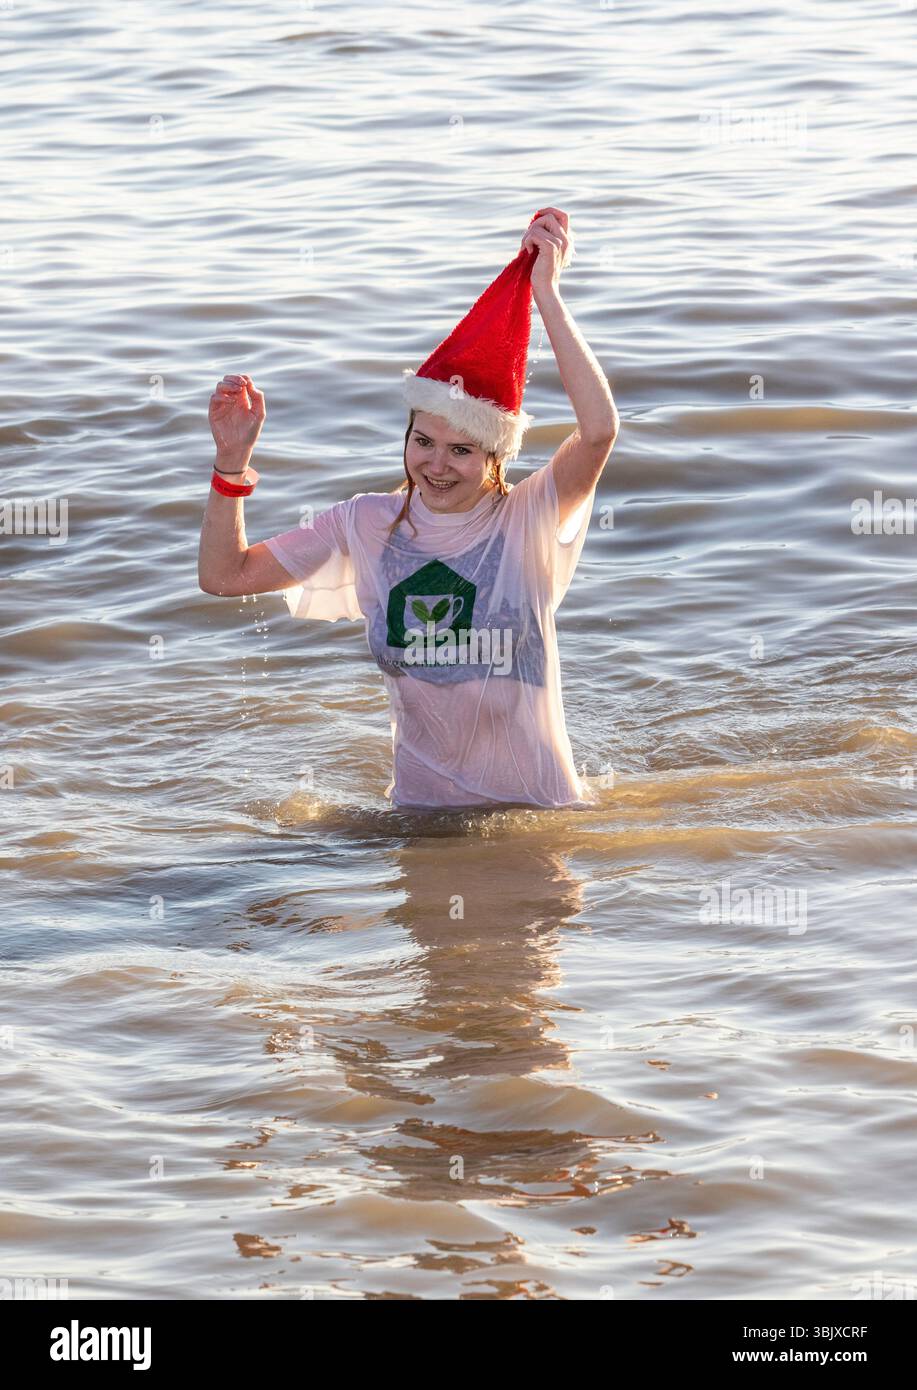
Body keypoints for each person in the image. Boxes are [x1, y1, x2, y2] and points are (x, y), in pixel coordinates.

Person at [198, 207, 619, 810]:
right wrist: (231, 464)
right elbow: (223, 576)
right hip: (419, 824)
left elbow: (599, 431)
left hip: (536, 818)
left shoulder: (528, 518)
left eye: (461, 450)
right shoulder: (365, 524)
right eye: (423, 442)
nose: (436, 464)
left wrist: (545, 292)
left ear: (495, 455)